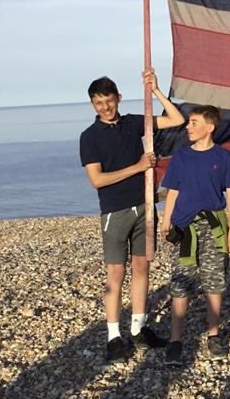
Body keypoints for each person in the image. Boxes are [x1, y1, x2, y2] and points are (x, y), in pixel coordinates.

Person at [80, 69, 184, 363]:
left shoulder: (134, 123)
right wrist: (138, 168)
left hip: (144, 207)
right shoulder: (89, 137)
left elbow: (176, 120)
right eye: (98, 103)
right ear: (92, 105)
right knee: (116, 274)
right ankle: (114, 336)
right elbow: (97, 180)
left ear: (119, 98)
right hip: (114, 212)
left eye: (109, 101)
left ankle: (138, 329)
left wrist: (157, 91)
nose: (105, 107)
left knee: (142, 268)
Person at [160, 105, 230, 366]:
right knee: (181, 281)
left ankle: (214, 336)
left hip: (213, 225)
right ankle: (176, 341)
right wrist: (165, 223)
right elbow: (172, 192)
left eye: (194, 123)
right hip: (184, 228)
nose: (188, 127)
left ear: (210, 127)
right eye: (188, 123)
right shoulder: (181, 157)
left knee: (214, 280)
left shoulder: (225, 158)